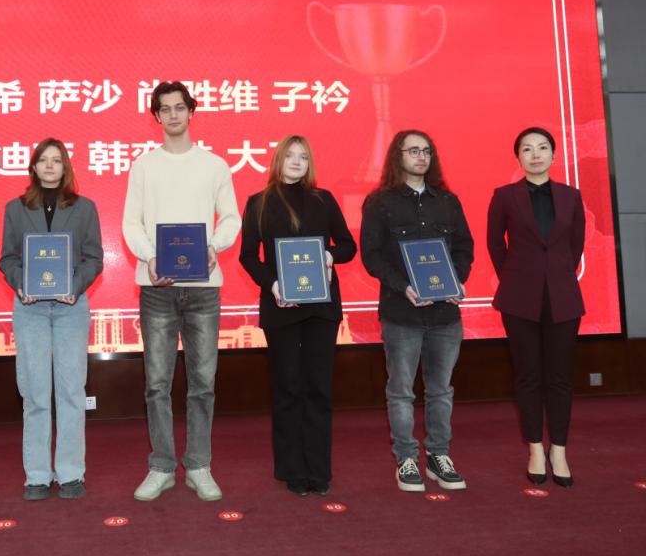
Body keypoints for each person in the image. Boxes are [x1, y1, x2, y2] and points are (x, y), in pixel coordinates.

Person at [121, 81, 241, 502]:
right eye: (165, 109)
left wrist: (213, 246)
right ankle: (161, 467)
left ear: (191, 112)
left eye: (179, 107)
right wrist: (150, 256)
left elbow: (231, 218)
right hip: (156, 288)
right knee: (157, 383)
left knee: (202, 383)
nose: (173, 115)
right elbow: (131, 222)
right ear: (156, 116)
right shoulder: (143, 166)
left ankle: (199, 465)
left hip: (204, 289)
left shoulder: (214, 165)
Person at [239, 135, 356, 497]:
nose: (296, 161)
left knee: (318, 388)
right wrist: (273, 284)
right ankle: (291, 469)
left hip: (322, 307)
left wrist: (330, 256)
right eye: (290, 155)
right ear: (278, 160)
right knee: (288, 387)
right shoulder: (258, 203)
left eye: (303, 157)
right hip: (281, 306)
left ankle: (318, 470)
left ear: (309, 163)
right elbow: (248, 256)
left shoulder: (324, 199)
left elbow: (348, 245)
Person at [360, 130, 473, 493]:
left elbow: (464, 248)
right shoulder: (379, 202)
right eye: (413, 151)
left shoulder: (448, 202)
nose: (421, 157)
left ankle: (439, 456)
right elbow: (372, 256)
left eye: (426, 151)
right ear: (398, 156)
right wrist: (403, 286)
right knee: (401, 391)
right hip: (401, 313)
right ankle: (406, 459)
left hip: (445, 315)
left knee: (441, 390)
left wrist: (457, 280)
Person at [0, 138, 103, 501]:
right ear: (33, 166)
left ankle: (71, 473)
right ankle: (38, 476)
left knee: (72, 392)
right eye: (43, 160)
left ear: (65, 167)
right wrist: (20, 284)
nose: (49, 166)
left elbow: (93, 258)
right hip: (29, 308)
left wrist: (74, 286)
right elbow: (8, 259)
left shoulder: (85, 208)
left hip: (70, 307)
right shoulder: (15, 209)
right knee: (35, 393)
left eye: (56, 160)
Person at [487, 127, 585, 487]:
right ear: (518, 157)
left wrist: (555, 273)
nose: (536, 154)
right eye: (527, 149)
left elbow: (575, 246)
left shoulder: (571, 196)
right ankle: (535, 450)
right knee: (527, 375)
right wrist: (517, 277)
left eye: (543, 148)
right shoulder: (504, 196)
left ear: (554, 155)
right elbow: (495, 245)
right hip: (519, 297)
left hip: (563, 295)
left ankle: (558, 450)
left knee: (559, 377)